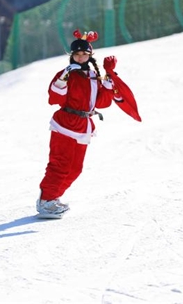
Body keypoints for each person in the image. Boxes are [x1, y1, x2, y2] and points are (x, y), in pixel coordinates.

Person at [36, 29, 121, 218]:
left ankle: (53, 198)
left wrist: (109, 74)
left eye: (84, 54)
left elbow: (102, 102)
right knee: (59, 164)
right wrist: (64, 75)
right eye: (77, 54)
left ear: (90, 55)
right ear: (72, 55)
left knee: (75, 168)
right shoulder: (67, 73)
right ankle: (45, 201)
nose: (81, 57)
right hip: (65, 123)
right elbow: (54, 98)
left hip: (83, 125)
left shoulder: (93, 76)